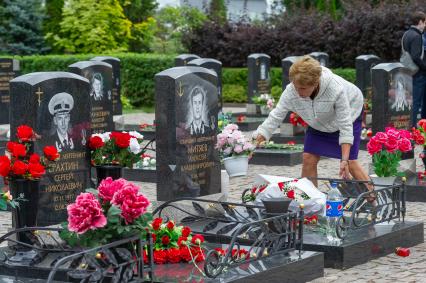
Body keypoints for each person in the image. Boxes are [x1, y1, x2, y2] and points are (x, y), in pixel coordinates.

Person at [254, 56, 371, 190]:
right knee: (308, 157)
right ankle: (310, 202)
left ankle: (374, 201)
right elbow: (275, 116)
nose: (298, 92)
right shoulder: (292, 90)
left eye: (303, 88)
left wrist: (344, 159)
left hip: (350, 112)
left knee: (350, 162)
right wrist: (255, 141)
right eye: (296, 87)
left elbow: (345, 125)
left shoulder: (335, 89)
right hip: (318, 121)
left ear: (315, 83)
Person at [402, 11, 426, 126]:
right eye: (425, 22)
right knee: (417, 101)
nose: (425, 25)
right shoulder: (417, 36)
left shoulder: (406, 34)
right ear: (420, 21)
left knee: (414, 101)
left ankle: (416, 125)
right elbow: (416, 56)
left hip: (409, 71)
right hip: (418, 73)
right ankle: (413, 127)